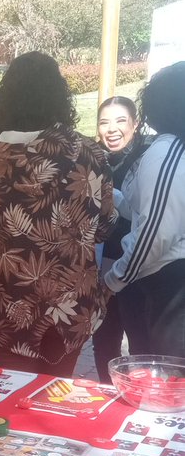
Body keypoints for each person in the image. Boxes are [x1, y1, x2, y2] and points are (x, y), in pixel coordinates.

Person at [0, 52, 115, 375]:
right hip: (69, 309)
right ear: (60, 98)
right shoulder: (90, 153)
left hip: (8, 305)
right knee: (55, 394)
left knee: (13, 396)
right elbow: (105, 226)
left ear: (8, 100)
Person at [105, 62, 185, 357]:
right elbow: (141, 208)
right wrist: (109, 193)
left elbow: (154, 233)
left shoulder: (167, 152)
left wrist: (114, 279)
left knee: (166, 380)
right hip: (166, 283)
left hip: (172, 285)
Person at [92, 96, 151, 380]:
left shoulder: (148, 159)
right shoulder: (94, 159)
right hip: (102, 267)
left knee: (140, 341)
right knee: (103, 339)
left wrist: (111, 196)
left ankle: (141, 396)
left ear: (135, 124)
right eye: (104, 122)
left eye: (120, 121)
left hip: (138, 267)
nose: (111, 129)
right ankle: (107, 391)